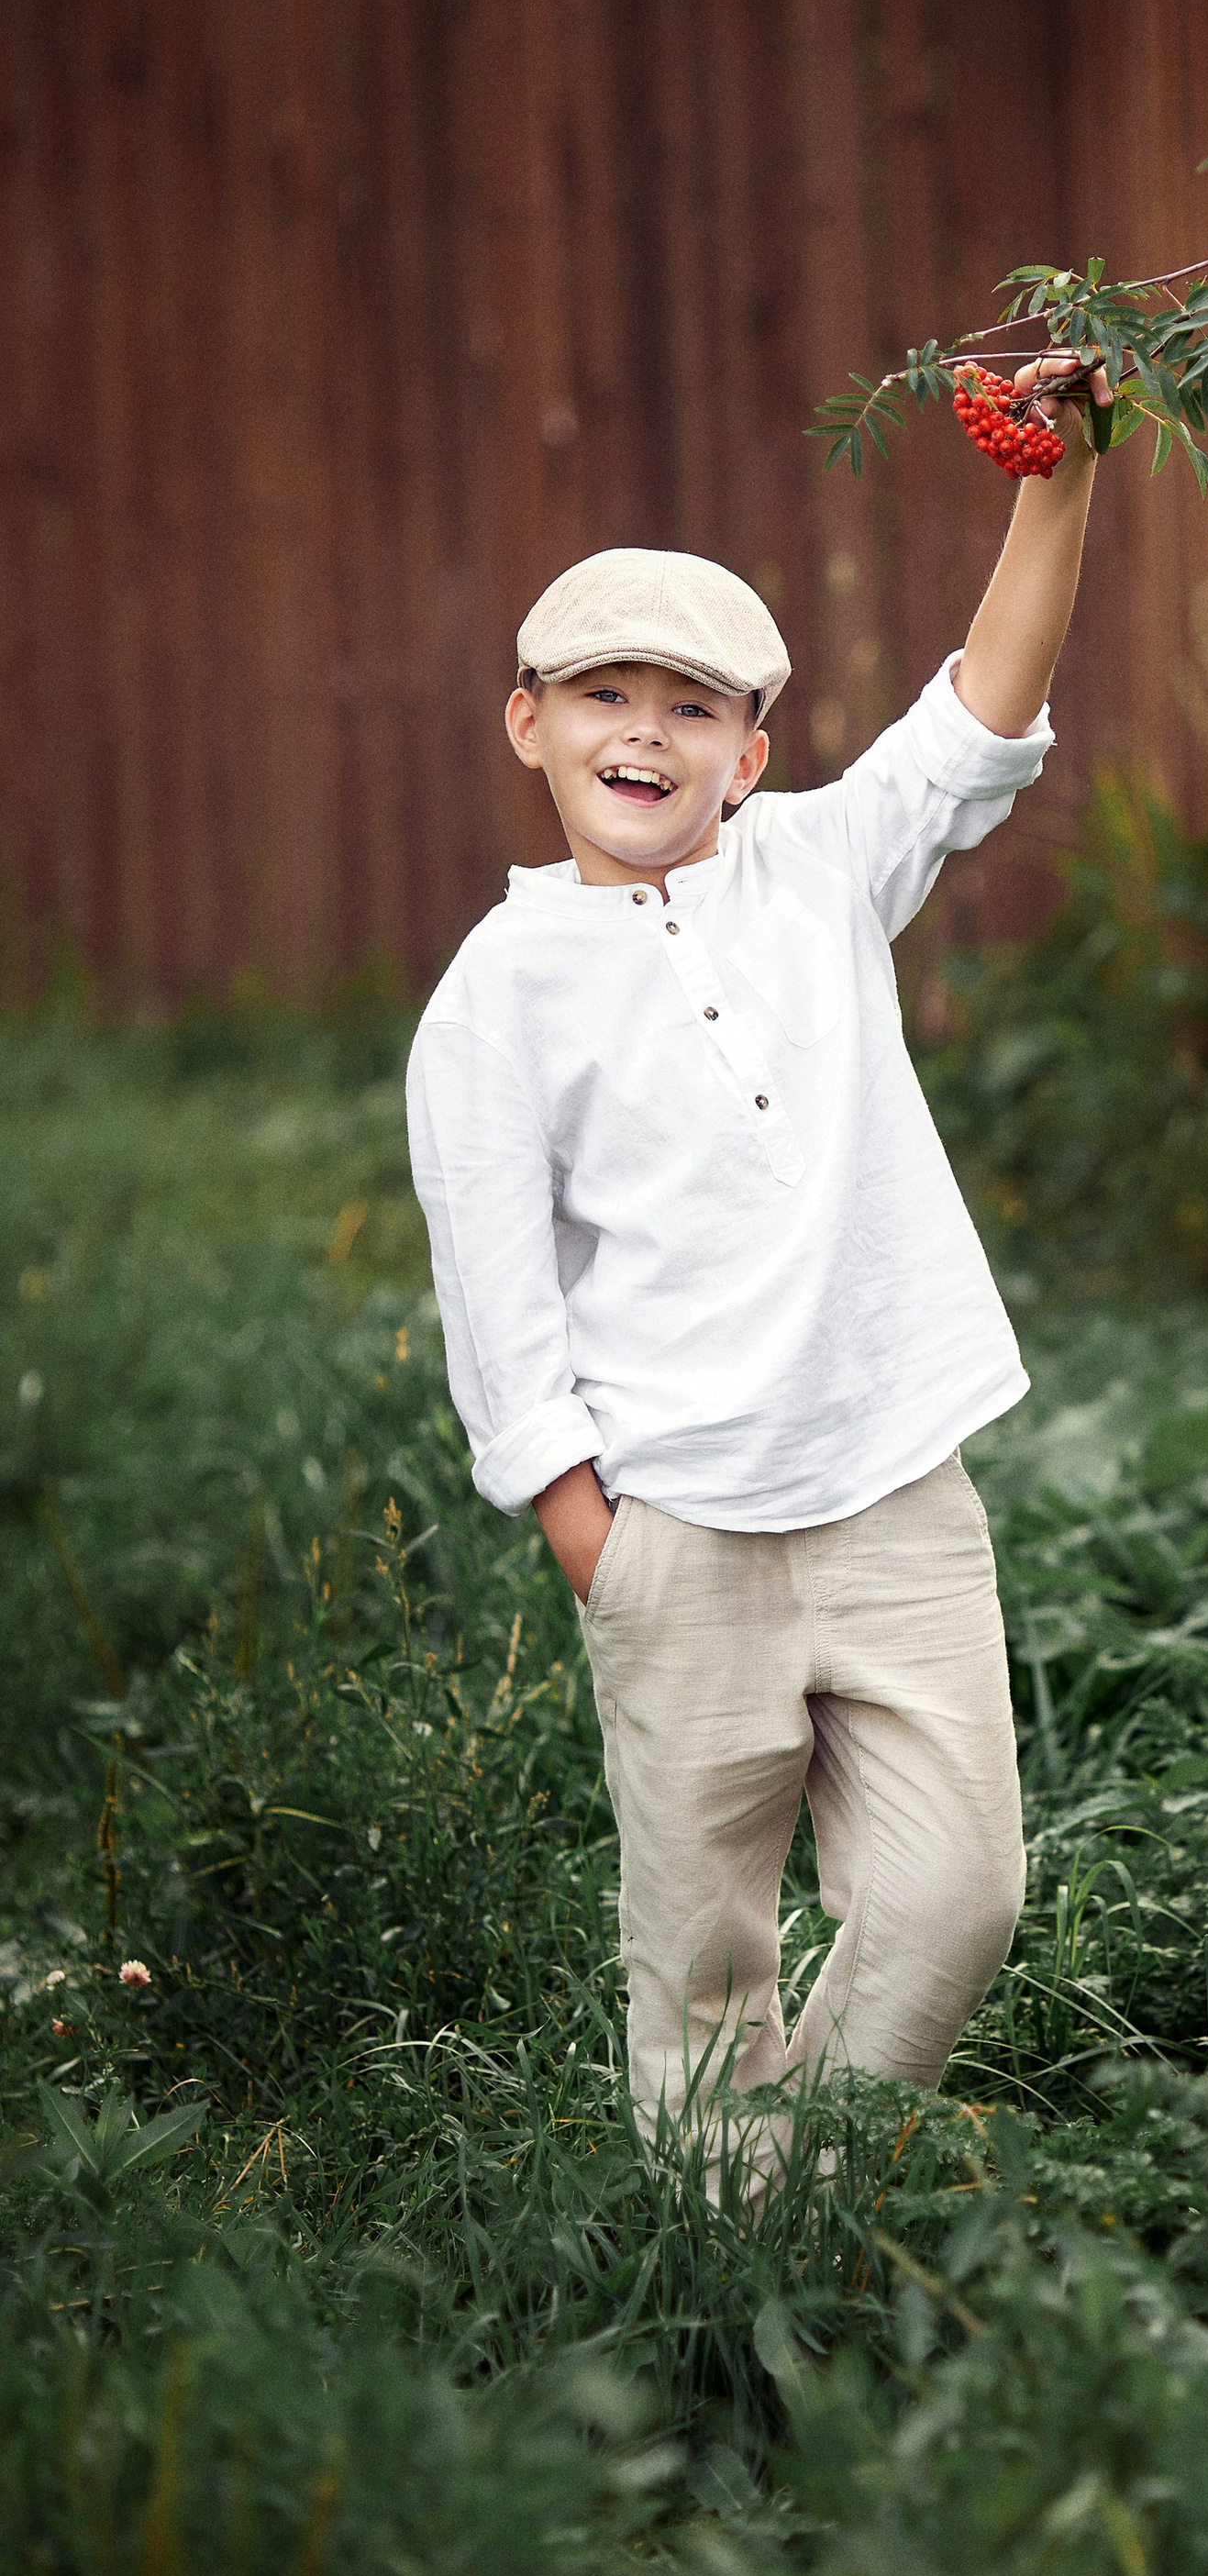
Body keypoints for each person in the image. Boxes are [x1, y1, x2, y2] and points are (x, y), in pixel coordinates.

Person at [405, 356, 1108, 2190]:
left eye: (693, 705)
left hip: (891, 1483)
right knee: (705, 1954)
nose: (646, 732)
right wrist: (592, 1534)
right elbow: (498, 1299)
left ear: (751, 747)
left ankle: (797, 2185)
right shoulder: (498, 990)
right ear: (528, 723)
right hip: (676, 1526)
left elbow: (981, 715)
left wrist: (1064, 475)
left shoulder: (815, 871)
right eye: (604, 697)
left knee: (953, 1897)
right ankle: (727, 2286)